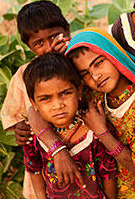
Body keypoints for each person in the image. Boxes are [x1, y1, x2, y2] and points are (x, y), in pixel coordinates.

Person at [28, 27, 135, 198]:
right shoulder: (93, 94)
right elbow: (33, 110)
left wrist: (102, 133)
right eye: (85, 73)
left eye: (99, 63)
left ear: (112, 54)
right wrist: (58, 150)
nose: (95, 76)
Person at [0, 0, 71, 198]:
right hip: (45, 165)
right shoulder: (24, 76)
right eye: (39, 43)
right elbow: (13, 116)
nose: (49, 48)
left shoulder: (78, 61)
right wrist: (21, 128)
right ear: (29, 47)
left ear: (67, 30)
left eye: (54, 37)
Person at [22, 53, 117, 198]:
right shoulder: (33, 135)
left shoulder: (94, 130)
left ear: (78, 91)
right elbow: (34, 170)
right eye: (45, 98)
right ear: (33, 102)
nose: (58, 105)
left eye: (65, 93)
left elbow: (108, 174)